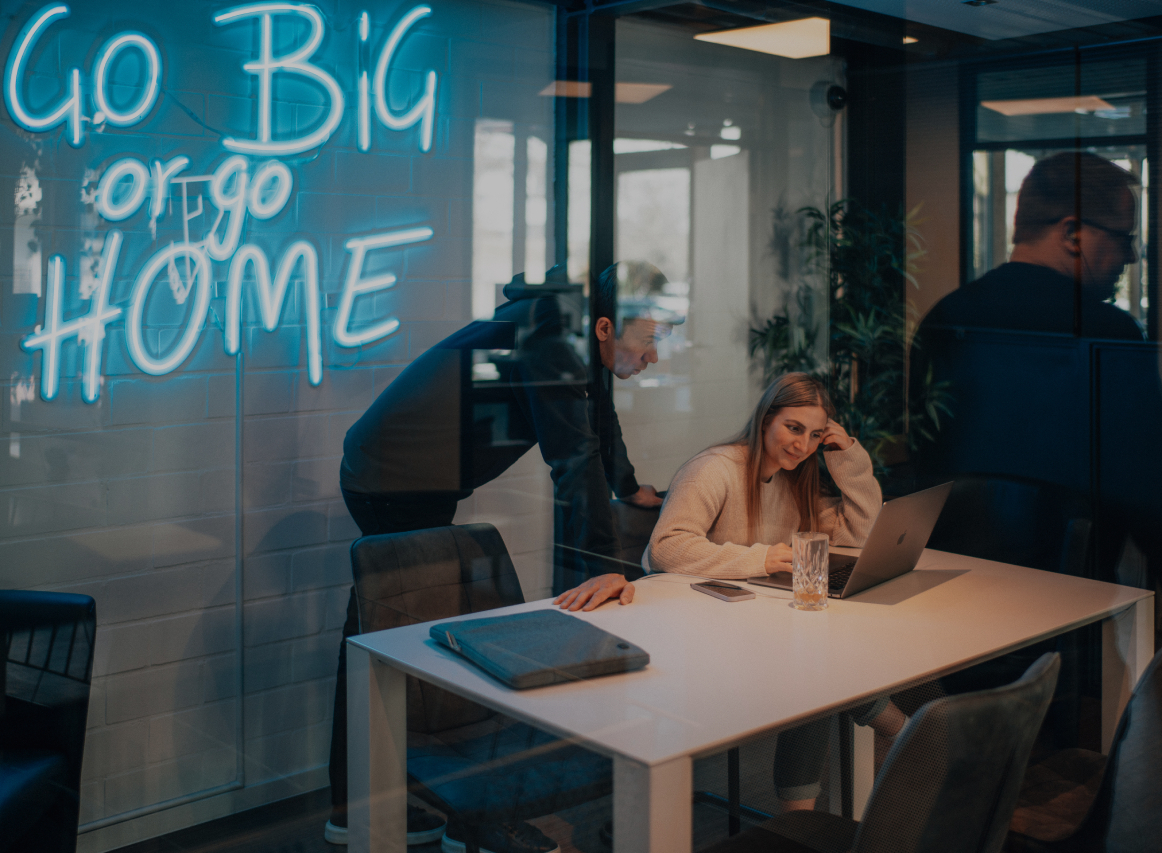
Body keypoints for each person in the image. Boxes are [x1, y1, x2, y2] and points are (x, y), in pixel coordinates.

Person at [326, 262, 679, 848]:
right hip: (394, 478)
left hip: (404, 473)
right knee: (391, 640)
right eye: (648, 339)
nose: (653, 357)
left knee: (387, 636)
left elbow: (595, 417)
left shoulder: (561, 329)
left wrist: (628, 487)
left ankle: (373, 801)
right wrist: (605, 569)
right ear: (604, 327)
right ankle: (409, 810)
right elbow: (572, 459)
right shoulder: (550, 338)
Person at [557, 373, 907, 810]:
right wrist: (761, 559)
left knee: (817, 664)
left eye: (816, 435)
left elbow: (859, 534)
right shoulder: (715, 468)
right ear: (765, 419)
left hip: (744, 623)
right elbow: (666, 548)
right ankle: (894, 730)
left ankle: (804, 810)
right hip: (692, 635)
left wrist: (848, 457)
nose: (803, 445)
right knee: (817, 667)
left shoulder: (793, 479)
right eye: (793, 428)